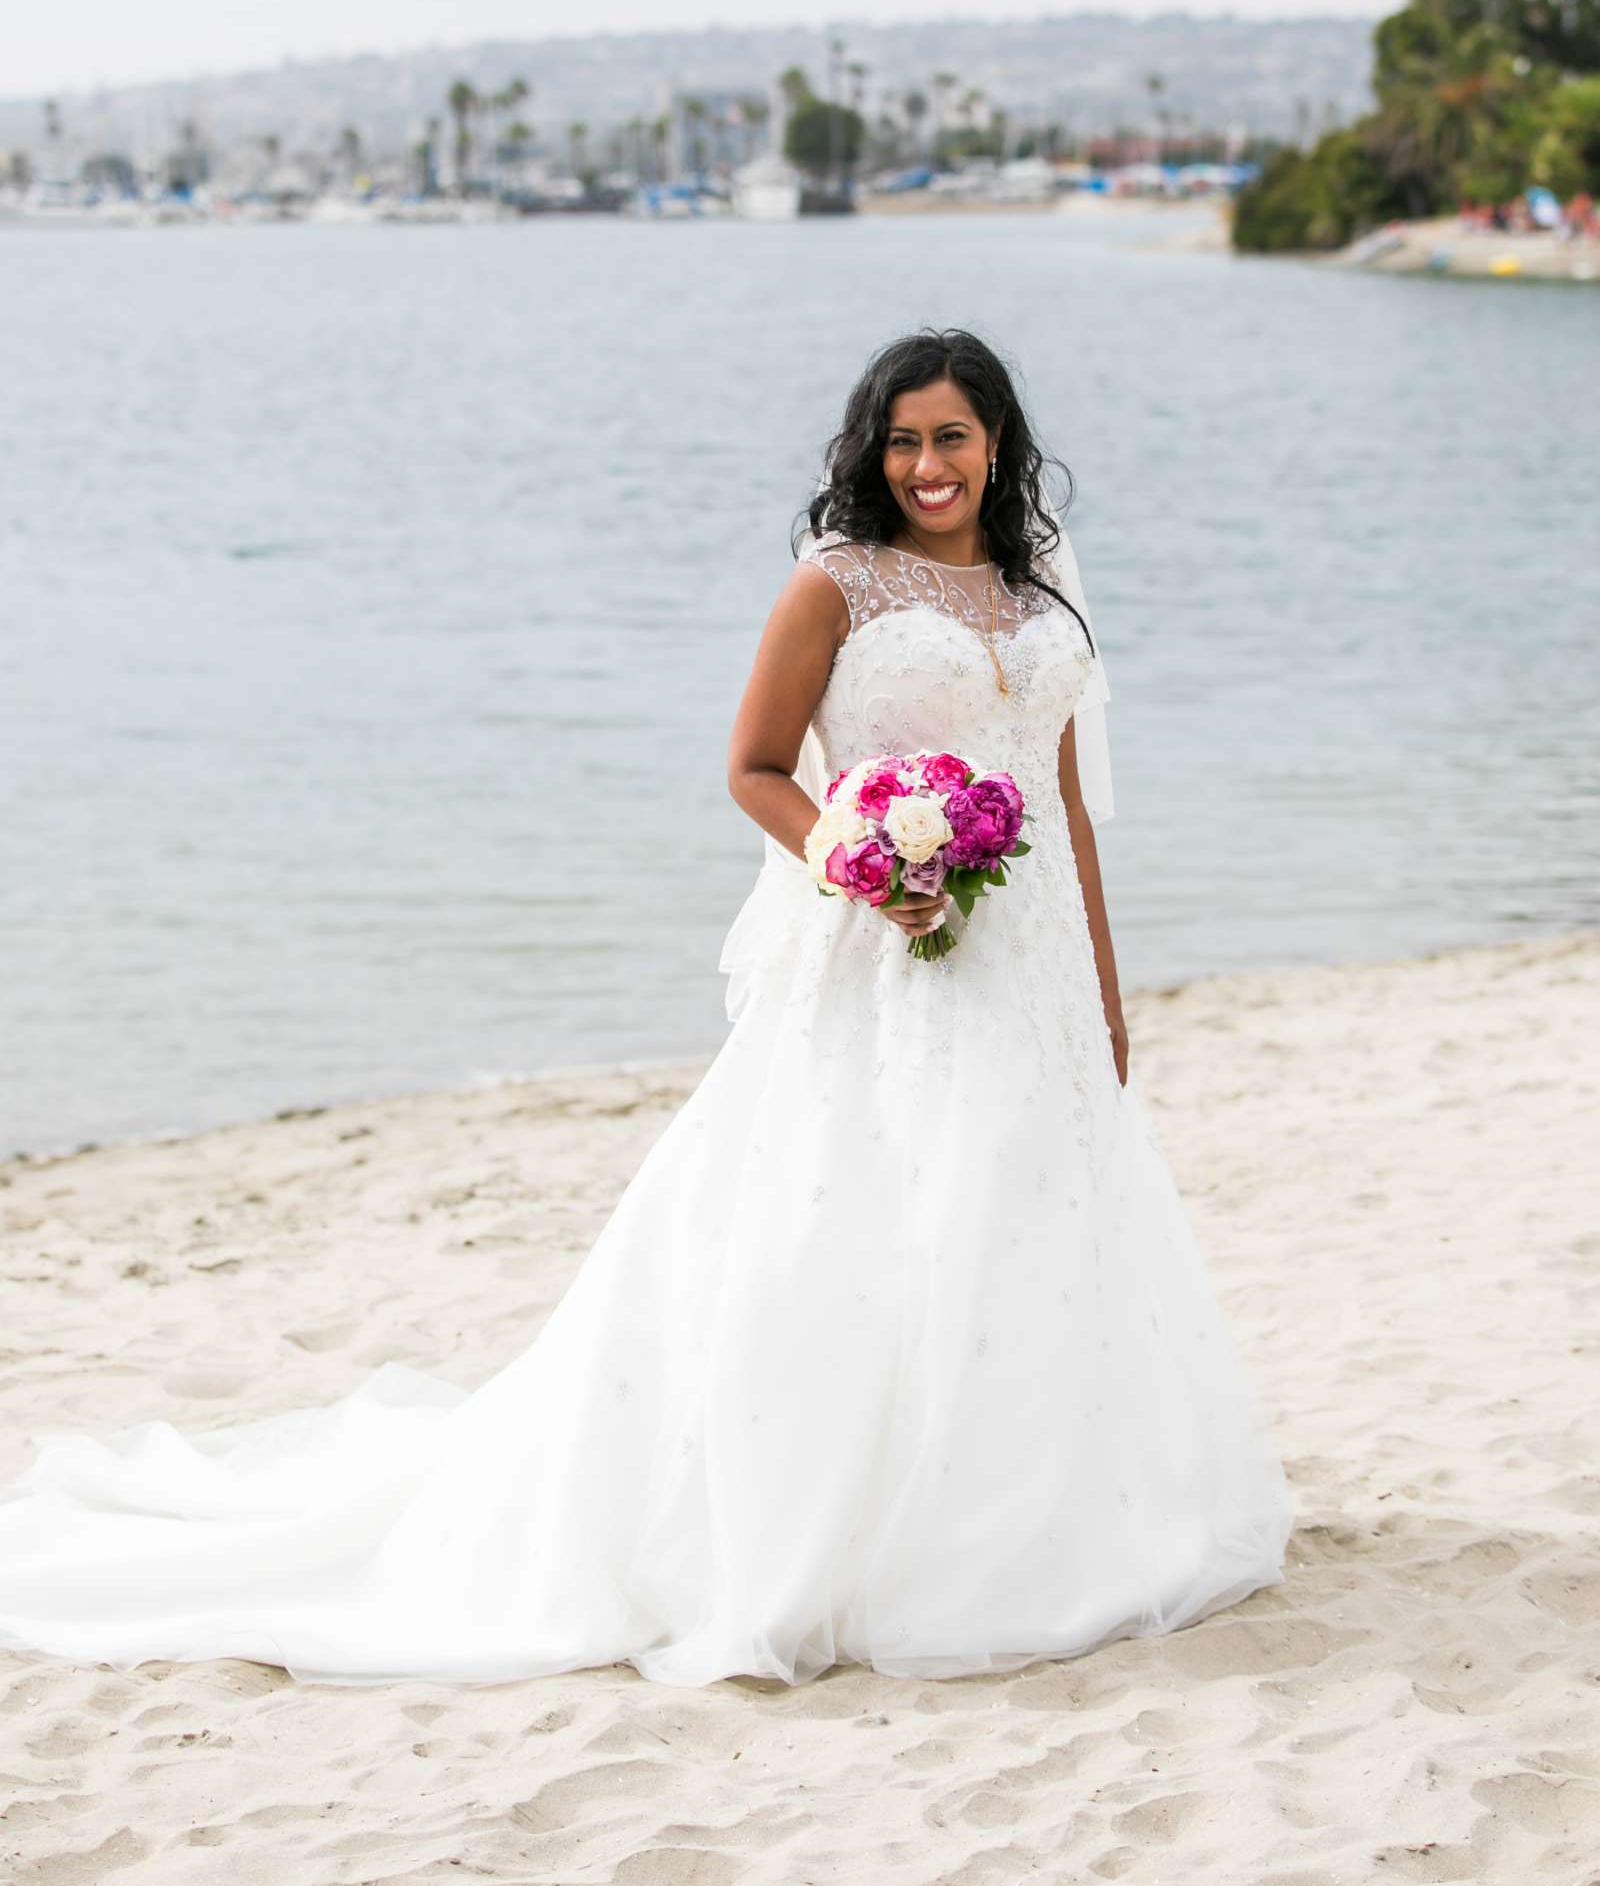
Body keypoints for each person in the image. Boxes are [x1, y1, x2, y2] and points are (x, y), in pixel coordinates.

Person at [0, 327, 1292, 1689]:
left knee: (1030, 1216)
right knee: (869, 1222)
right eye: (904, 439)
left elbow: (1068, 805)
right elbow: (754, 768)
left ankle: (1039, 1519)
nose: (929, 465)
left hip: (1025, 968)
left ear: (996, 444)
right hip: (885, 952)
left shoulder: (1041, 602)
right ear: (874, 450)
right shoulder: (835, 586)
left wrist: (1102, 986)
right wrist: (860, 864)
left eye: (953, 438)